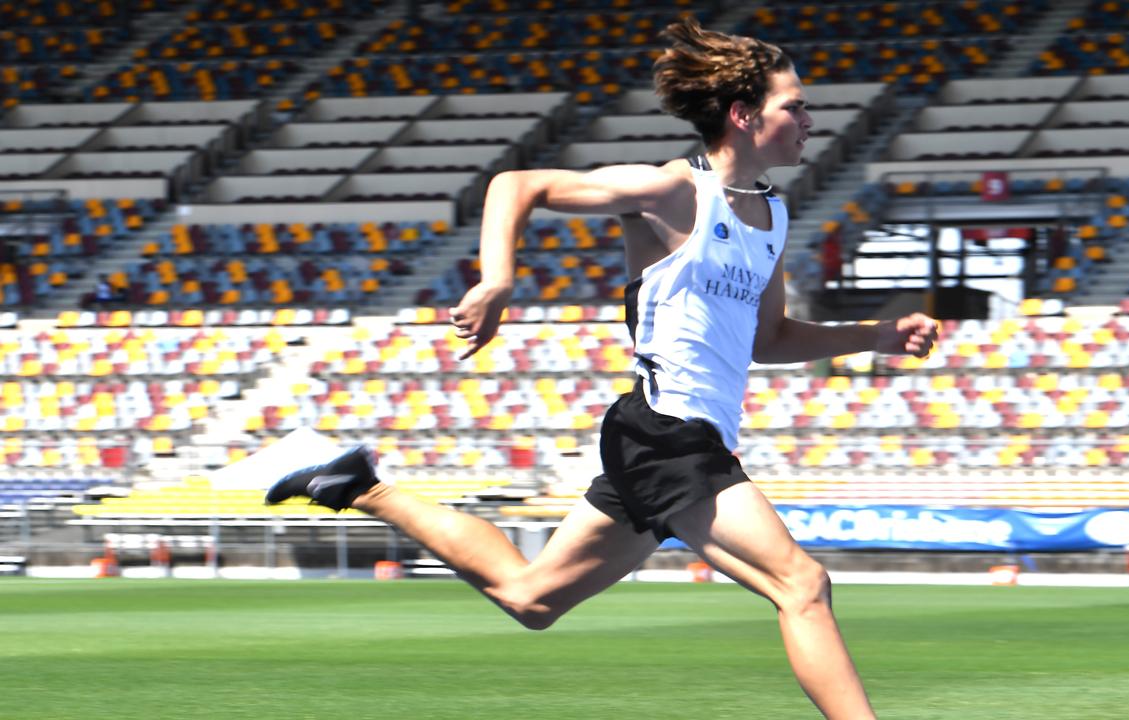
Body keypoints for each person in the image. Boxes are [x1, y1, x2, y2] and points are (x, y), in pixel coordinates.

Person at [266, 18, 938, 720]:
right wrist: (498, 280)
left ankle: (359, 486)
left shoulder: (771, 214)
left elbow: (766, 337)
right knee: (801, 584)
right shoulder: (674, 191)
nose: (809, 118)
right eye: (794, 105)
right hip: (666, 434)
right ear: (743, 116)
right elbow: (516, 184)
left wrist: (876, 336)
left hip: (676, 442)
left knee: (531, 598)